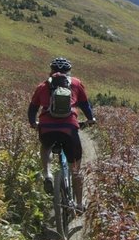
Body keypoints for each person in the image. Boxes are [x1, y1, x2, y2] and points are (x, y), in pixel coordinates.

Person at [28, 56, 95, 211]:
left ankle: (48, 174)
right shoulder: (76, 84)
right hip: (69, 128)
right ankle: (79, 204)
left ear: (51, 71)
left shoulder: (43, 86)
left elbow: (32, 108)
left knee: (45, 147)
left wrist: (33, 122)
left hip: (46, 128)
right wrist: (90, 119)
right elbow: (85, 104)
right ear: (68, 72)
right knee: (76, 169)